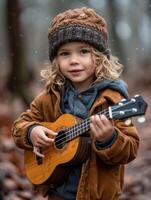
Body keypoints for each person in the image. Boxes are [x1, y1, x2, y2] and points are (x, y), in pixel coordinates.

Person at [12, 7, 139, 200]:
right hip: (58, 192)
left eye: (83, 52)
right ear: (56, 60)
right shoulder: (51, 96)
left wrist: (109, 139)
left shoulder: (114, 100)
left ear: (99, 56)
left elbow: (130, 149)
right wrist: (31, 132)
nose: (73, 61)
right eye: (65, 54)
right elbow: (19, 127)